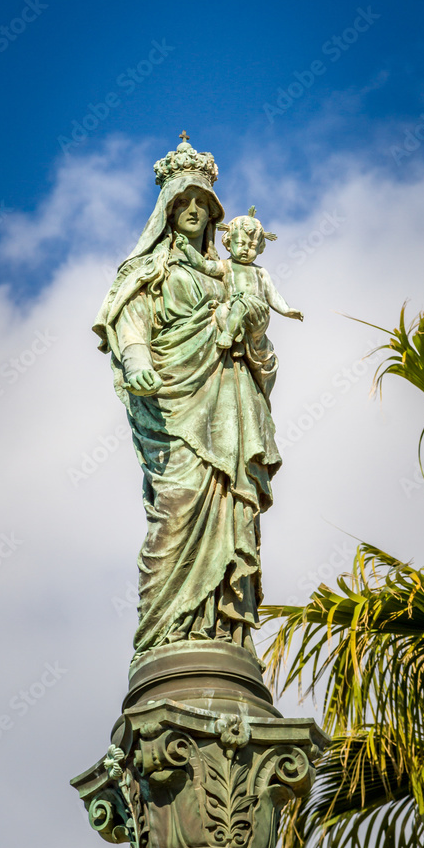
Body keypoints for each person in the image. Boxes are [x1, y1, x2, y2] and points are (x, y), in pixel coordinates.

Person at [92, 140, 282, 657]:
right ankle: (165, 639)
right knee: (174, 511)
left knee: (230, 504)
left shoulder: (230, 277)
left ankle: (220, 635)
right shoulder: (150, 272)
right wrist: (136, 361)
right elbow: (128, 324)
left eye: (203, 203)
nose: (194, 209)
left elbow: (262, 354)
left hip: (230, 402)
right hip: (173, 407)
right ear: (168, 210)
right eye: (183, 202)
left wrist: (254, 328)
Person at [175, 206, 303, 352]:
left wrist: (287, 310)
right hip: (234, 307)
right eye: (241, 244)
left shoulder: (260, 271)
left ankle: (228, 336)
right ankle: (239, 344)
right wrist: (186, 248)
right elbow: (203, 265)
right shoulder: (225, 266)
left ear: (260, 248)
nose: (246, 250)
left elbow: (273, 295)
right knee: (222, 310)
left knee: (241, 304)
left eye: (252, 246)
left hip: (257, 311)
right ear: (229, 243)